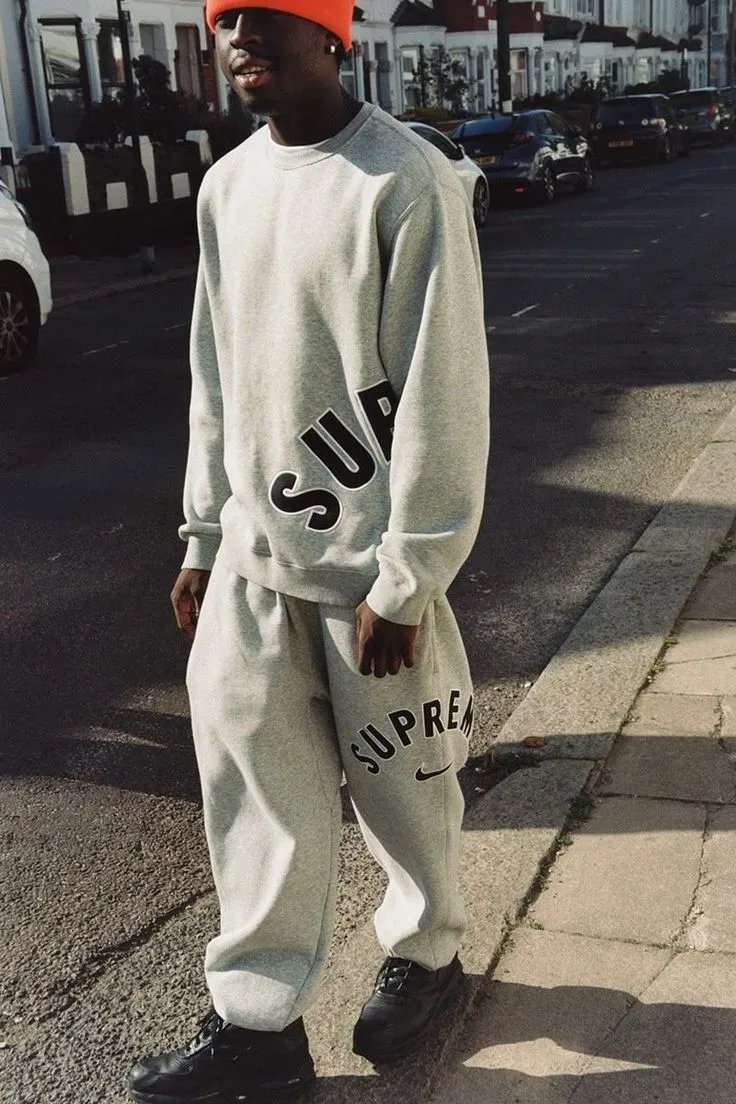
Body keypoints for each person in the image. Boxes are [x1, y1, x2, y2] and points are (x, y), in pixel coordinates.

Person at [128, 1, 489, 1100]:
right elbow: (216, 376)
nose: (241, 33)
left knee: (406, 794)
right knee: (253, 806)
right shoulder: (228, 187)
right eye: (225, 17)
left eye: (269, 14)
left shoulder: (404, 180)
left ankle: (431, 957)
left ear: (334, 35)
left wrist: (409, 575)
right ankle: (259, 1029)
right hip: (252, 563)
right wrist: (203, 535)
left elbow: (442, 388)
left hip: (369, 574)